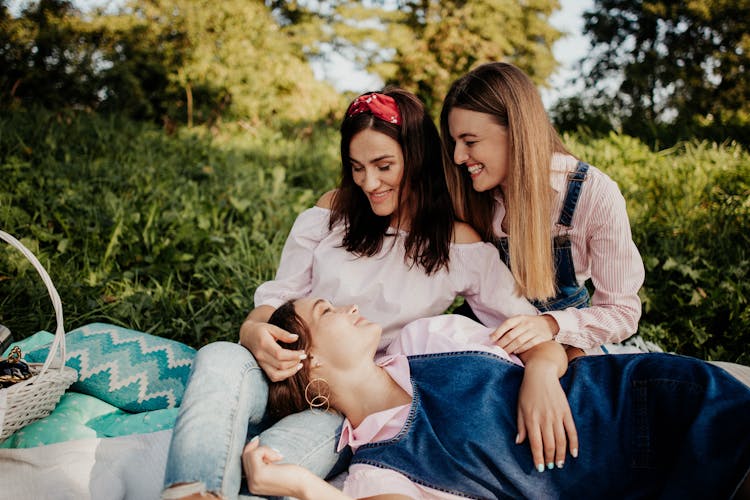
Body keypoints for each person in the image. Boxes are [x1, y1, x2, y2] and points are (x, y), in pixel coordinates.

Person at [162, 88, 545, 500]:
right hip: (273, 367)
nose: (369, 182)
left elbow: (529, 327)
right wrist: (254, 330)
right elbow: (280, 294)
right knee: (219, 356)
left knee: (269, 465)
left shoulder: (457, 246)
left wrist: (543, 373)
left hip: (341, 405)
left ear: (417, 158)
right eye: (357, 167)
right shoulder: (332, 211)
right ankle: (190, 492)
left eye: (384, 165)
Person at [243, 298, 750, 499]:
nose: (349, 307)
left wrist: (542, 377)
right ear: (312, 364)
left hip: (648, 405)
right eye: (328, 310)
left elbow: (542, 346)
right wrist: (305, 486)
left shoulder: (425, 339)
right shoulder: (377, 472)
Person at [439, 62, 646, 358]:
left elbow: (622, 312)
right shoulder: (467, 190)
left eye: (470, 142)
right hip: (486, 335)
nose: (458, 157)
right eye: (455, 143)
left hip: (564, 342)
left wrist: (549, 324)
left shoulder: (593, 193)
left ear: (517, 131)